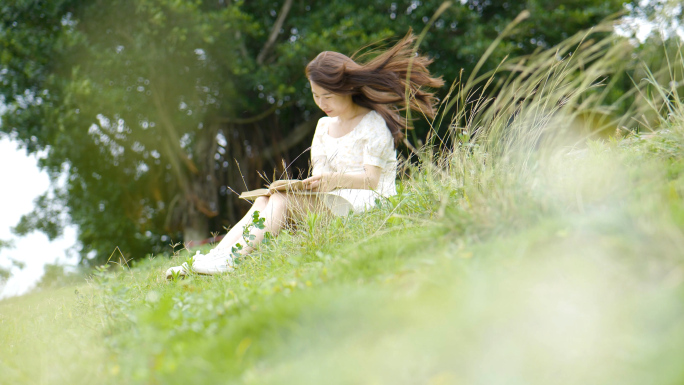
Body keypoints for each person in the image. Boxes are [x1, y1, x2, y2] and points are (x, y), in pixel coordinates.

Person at [166, 31, 443, 278]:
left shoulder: (373, 123)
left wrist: (333, 180)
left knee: (283, 200)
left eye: (328, 96)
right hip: (332, 198)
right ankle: (210, 259)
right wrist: (310, 183)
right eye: (315, 95)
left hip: (368, 201)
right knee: (267, 196)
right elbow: (319, 173)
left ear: (346, 88)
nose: (321, 104)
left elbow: (372, 180)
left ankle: (234, 258)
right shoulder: (323, 126)